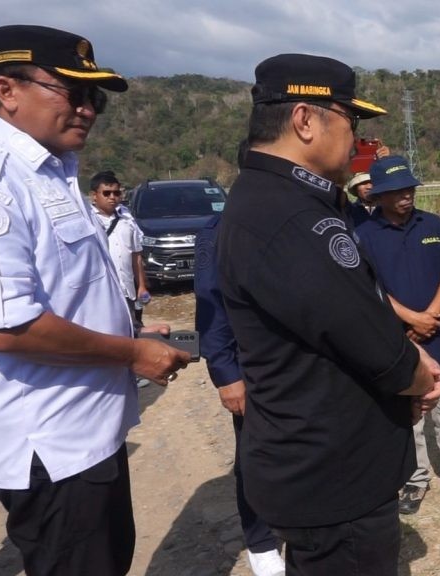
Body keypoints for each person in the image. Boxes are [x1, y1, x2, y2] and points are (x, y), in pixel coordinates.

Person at [215, 53, 440, 576]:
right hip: (333, 477)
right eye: (352, 120)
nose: (358, 139)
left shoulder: (274, 199)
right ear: (305, 120)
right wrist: (418, 375)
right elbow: (367, 338)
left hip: (321, 464)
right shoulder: (290, 214)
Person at [0, 25, 190, 575]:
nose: (87, 109)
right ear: (7, 91)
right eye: (72, 93)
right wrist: (129, 355)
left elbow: (71, 293)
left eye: (94, 98)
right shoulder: (0, 180)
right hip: (53, 447)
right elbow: (6, 327)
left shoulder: (51, 174)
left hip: (85, 436)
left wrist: (132, 337)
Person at [356, 155, 440, 516]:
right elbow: (371, 290)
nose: (405, 196)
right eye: (396, 191)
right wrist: (412, 319)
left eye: (409, 189)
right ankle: (415, 479)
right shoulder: (365, 236)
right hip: (397, 340)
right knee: (408, 413)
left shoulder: (432, 224)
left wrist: (430, 315)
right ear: (378, 196)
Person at [194, 142, 285, 576]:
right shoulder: (219, 229)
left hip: (296, 367)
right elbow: (211, 309)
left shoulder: (298, 219)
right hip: (251, 370)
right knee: (254, 455)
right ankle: (260, 539)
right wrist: (226, 375)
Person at [89, 170, 149, 327]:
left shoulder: (127, 222)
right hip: (101, 293)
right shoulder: (87, 222)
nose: (112, 197)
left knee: (131, 331)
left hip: (127, 290)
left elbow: (136, 256)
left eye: (116, 193)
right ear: (94, 195)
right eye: (106, 193)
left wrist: (141, 286)